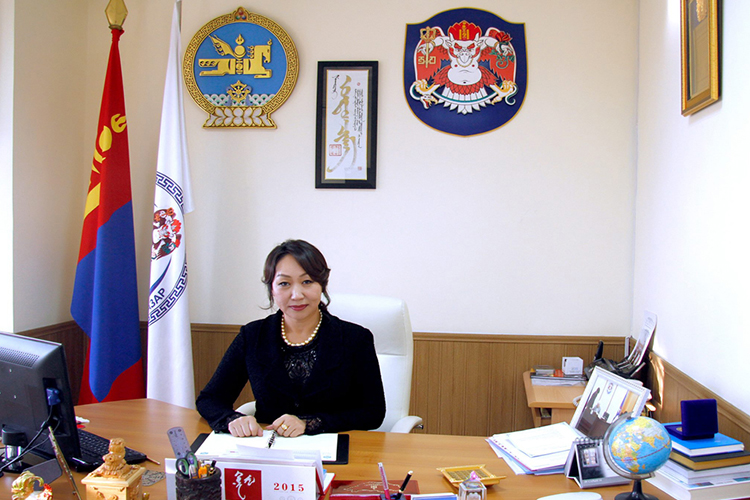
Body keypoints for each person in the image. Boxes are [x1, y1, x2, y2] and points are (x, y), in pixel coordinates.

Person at [196, 239, 386, 437]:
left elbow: (373, 412)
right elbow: (210, 399)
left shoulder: (355, 339)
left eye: (307, 282)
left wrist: (311, 423)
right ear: (272, 289)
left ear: (322, 284)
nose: (296, 295)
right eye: (284, 283)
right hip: (270, 449)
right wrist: (233, 419)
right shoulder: (252, 336)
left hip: (333, 447)